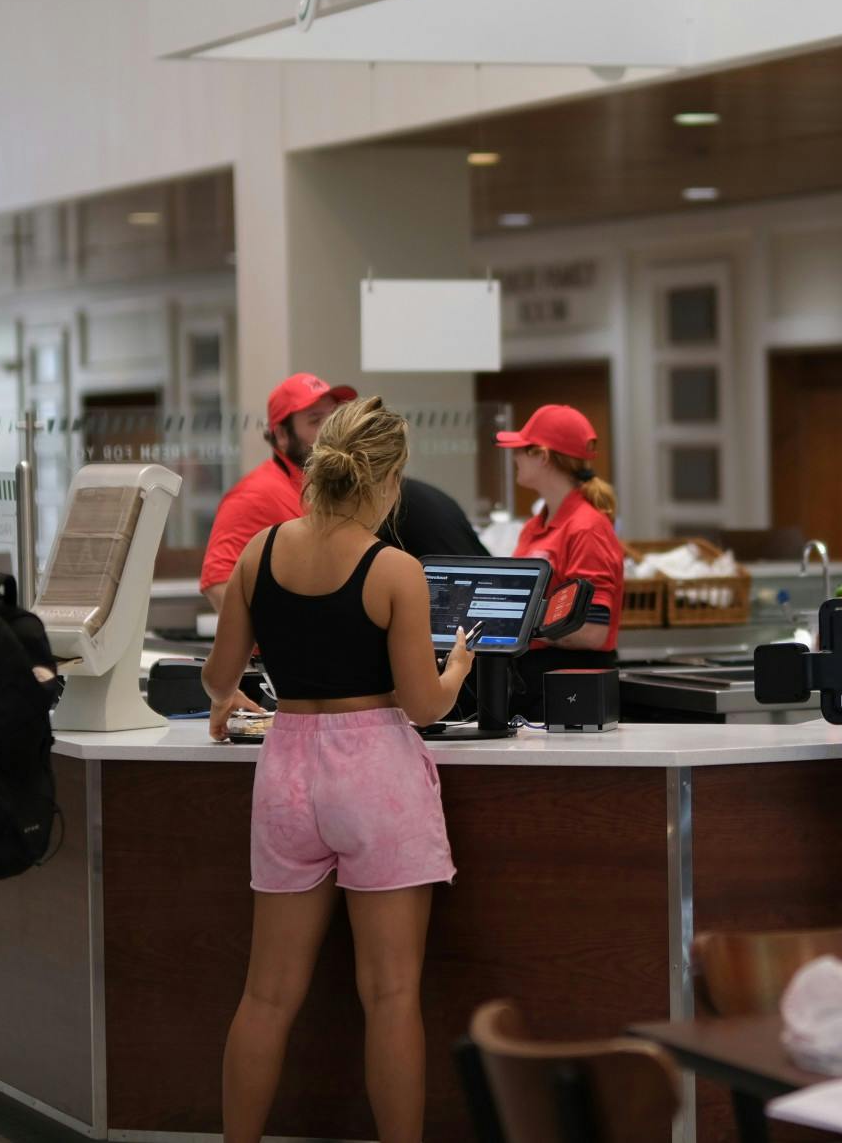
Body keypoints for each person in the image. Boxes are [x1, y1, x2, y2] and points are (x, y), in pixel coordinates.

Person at [200, 396, 475, 1143]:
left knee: (265, 995)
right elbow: (421, 705)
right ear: (389, 481)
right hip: (375, 774)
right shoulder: (395, 569)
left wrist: (228, 698)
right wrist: (456, 669)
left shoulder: (259, 553)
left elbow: (218, 674)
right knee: (389, 995)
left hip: (287, 767)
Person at [201, 374, 486, 613]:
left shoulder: (336, 490)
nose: (328, 429)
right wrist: (278, 641)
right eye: (314, 421)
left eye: (332, 417)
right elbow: (218, 583)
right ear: (282, 435)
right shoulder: (254, 494)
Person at [494, 404, 624, 718]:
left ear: (543, 456)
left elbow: (592, 630)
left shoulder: (586, 528)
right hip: (533, 680)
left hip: (573, 684)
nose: (515, 458)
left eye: (522, 450)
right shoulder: (534, 527)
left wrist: (521, 621)